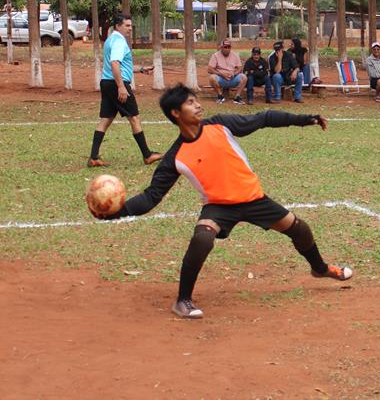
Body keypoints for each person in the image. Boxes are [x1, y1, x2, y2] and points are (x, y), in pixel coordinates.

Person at [97, 84, 352, 318]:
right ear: (176, 113)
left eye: (197, 101)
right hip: (218, 207)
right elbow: (152, 196)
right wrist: (115, 212)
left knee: (300, 228)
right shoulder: (175, 156)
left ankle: (319, 269)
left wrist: (303, 120)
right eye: (190, 102)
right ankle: (182, 300)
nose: (197, 105)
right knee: (202, 238)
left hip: (253, 199)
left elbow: (262, 119)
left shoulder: (219, 125)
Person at [87, 13, 162, 168]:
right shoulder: (119, 42)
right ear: (118, 26)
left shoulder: (111, 40)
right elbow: (115, 63)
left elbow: (119, 65)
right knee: (134, 118)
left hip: (107, 83)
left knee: (106, 120)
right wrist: (121, 86)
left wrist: (141, 69)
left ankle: (94, 157)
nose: (130, 28)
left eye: (130, 25)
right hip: (116, 85)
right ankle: (147, 155)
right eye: (127, 25)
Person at [208, 38, 246, 104]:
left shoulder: (235, 55)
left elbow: (240, 68)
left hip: (233, 78)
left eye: (229, 47)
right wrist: (221, 74)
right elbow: (209, 69)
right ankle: (220, 96)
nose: (227, 49)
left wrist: (234, 73)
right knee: (212, 78)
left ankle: (237, 97)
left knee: (244, 77)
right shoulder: (215, 55)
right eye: (225, 47)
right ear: (221, 47)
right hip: (221, 79)